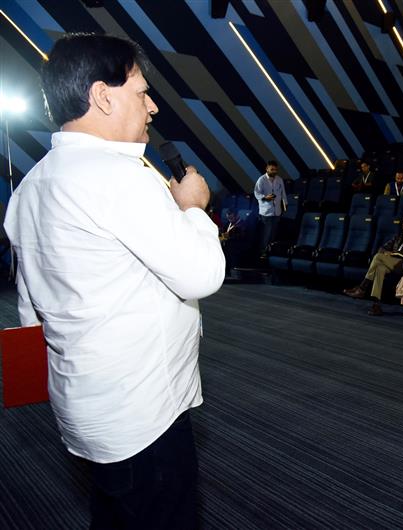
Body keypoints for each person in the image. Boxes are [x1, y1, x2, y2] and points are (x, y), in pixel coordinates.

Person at [2, 34, 225, 527]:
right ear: (103, 96)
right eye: (142, 92)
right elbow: (203, 274)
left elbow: (29, 309)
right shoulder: (119, 176)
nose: (153, 107)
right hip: (143, 412)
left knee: (115, 513)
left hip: (86, 405)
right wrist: (192, 211)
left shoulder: (31, 186)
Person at [343, 214, 403, 315]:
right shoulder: (398, 237)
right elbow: (382, 248)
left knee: (378, 257)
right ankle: (376, 306)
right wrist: (386, 253)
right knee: (379, 268)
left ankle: (362, 287)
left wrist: (393, 254)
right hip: (389, 262)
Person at [254, 160, 287, 254]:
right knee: (266, 235)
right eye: (272, 169)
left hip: (277, 211)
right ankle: (262, 253)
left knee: (273, 234)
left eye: (275, 170)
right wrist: (265, 197)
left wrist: (285, 205)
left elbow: (283, 193)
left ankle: (270, 252)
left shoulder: (279, 179)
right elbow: (256, 193)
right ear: (267, 168)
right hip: (266, 212)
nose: (274, 171)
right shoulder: (261, 179)